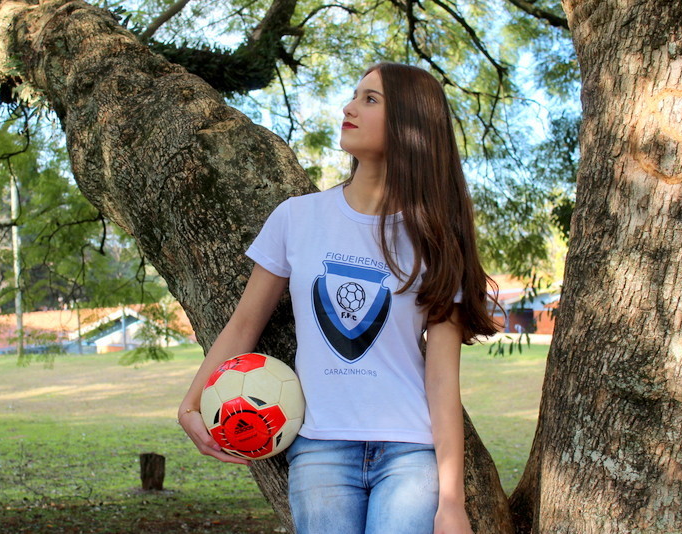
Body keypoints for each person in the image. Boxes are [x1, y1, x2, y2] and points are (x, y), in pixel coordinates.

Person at [178, 62, 499, 534]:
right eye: (354, 95)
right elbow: (244, 324)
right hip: (320, 449)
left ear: (410, 124)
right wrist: (190, 405)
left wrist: (452, 503)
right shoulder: (296, 218)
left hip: (410, 453)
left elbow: (441, 379)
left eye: (370, 99)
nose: (349, 108)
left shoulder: (436, 240)